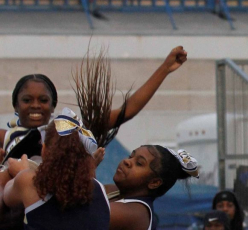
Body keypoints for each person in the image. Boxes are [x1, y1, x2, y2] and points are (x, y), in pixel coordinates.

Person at [1, 47, 189, 164]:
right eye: (27, 100)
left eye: (43, 100)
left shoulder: (68, 131)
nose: (36, 106)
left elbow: (127, 111)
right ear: (15, 106)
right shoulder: (5, 137)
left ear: (53, 106)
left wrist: (165, 69)